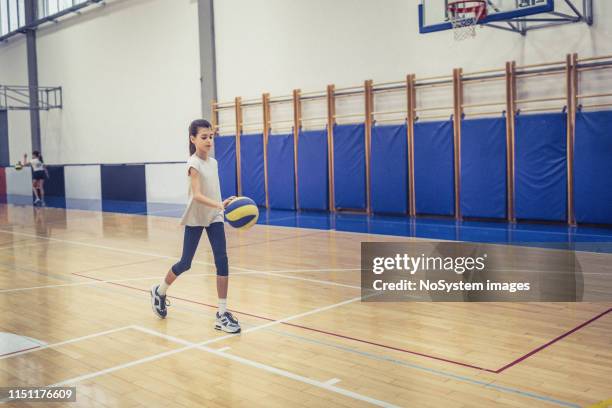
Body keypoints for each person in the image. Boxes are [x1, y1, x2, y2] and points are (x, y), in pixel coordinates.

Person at [150, 119, 239, 333]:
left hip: (215, 216)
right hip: (196, 217)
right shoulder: (193, 164)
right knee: (185, 263)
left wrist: (221, 205)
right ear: (193, 139)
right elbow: (197, 195)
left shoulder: (214, 162)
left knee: (222, 260)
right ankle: (160, 291)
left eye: (211, 136)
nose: (209, 140)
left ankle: (221, 313)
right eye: (204, 137)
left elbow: (211, 190)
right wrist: (219, 203)